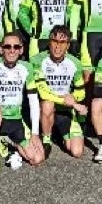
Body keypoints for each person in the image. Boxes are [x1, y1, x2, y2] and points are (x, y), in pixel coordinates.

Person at [0, 31, 44, 173]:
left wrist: (35, 133)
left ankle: (7, 140)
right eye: (7, 46)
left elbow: (33, 101)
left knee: (37, 158)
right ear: (1, 49)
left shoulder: (27, 68)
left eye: (16, 47)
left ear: (21, 50)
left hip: (16, 119)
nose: (12, 50)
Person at [31, 25, 87, 159]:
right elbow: (43, 92)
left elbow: (81, 92)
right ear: (49, 42)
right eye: (55, 41)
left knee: (77, 152)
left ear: (68, 45)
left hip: (65, 110)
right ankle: (47, 139)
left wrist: (73, 97)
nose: (58, 46)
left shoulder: (75, 63)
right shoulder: (37, 61)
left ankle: (58, 134)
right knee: (47, 104)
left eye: (62, 42)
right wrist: (72, 103)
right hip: (45, 109)